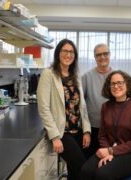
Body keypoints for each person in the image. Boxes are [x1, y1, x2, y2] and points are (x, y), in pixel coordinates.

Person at [37, 39, 91, 180]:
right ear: (58, 53)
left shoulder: (76, 76)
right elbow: (44, 108)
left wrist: (86, 130)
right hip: (62, 132)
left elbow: (82, 106)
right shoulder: (48, 74)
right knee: (82, 168)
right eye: (65, 51)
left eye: (71, 52)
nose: (68, 55)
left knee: (74, 170)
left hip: (77, 130)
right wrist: (54, 136)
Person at [81, 70, 131, 180]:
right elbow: (102, 135)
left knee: (103, 174)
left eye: (120, 83)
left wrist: (112, 152)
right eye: (113, 84)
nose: (116, 86)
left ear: (127, 84)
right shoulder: (106, 107)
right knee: (85, 171)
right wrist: (107, 151)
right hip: (109, 149)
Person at [82, 43, 113, 159]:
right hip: (93, 128)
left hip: (112, 129)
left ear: (109, 55)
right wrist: (85, 131)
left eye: (105, 53)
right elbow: (81, 104)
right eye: (98, 55)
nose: (102, 57)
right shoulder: (86, 77)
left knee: (107, 163)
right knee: (91, 161)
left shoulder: (116, 76)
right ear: (95, 57)